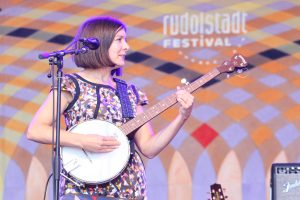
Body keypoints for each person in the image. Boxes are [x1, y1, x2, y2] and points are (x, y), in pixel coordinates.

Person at [27, 16, 194, 200]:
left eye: (126, 40)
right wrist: (83, 141)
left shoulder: (129, 92)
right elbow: (35, 130)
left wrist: (182, 117)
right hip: (81, 190)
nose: (126, 46)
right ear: (99, 42)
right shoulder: (71, 84)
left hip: (128, 190)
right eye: (119, 40)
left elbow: (149, 148)